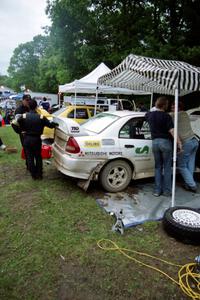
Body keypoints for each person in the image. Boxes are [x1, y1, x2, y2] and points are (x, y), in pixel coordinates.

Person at [146, 96, 182, 197]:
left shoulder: (150, 115)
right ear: (165, 105)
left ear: (157, 104)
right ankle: (167, 191)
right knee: (167, 168)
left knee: (157, 167)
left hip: (155, 143)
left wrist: (154, 108)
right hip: (165, 143)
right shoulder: (167, 116)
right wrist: (179, 143)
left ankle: (157, 191)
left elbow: (147, 113)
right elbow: (172, 131)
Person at [16, 99, 58, 180]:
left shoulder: (24, 116)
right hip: (36, 139)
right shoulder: (41, 117)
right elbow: (51, 125)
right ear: (36, 107)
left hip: (27, 139)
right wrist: (56, 124)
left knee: (29, 157)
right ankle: (39, 174)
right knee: (38, 157)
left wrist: (22, 130)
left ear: (28, 106)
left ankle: (33, 175)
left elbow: (16, 123)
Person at [170, 102, 199, 193]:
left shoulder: (176, 115)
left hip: (187, 143)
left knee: (181, 165)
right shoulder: (185, 114)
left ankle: (192, 185)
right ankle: (188, 184)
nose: (172, 107)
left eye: (174, 106)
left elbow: (165, 115)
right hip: (194, 141)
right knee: (190, 164)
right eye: (171, 106)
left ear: (179, 107)